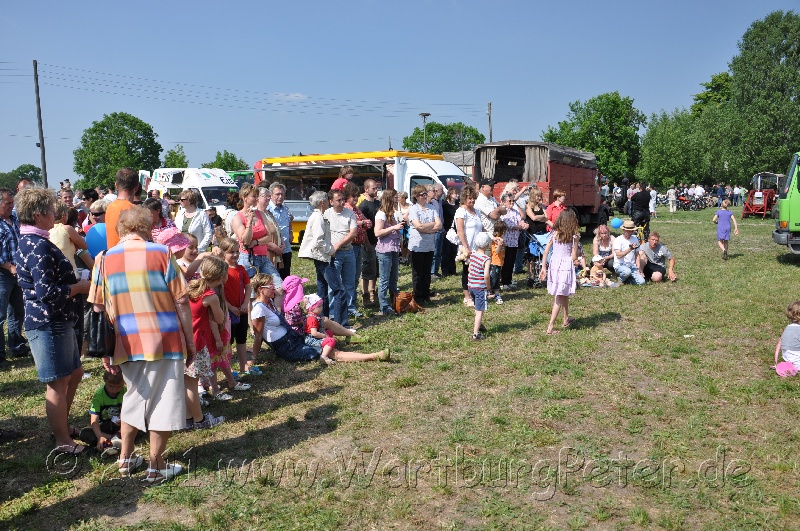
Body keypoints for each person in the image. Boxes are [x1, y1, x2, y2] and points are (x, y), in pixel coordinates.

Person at [88, 206, 194, 482]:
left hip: (124, 341)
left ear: (120, 230)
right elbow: (182, 299)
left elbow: (98, 307)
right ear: (146, 229)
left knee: (134, 396)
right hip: (164, 338)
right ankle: (155, 467)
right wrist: (190, 341)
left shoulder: (103, 258)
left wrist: (105, 350)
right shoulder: (161, 253)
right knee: (164, 400)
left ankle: (125, 458)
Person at [15, 187, 91, 453]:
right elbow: (46, 293)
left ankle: (62, 427)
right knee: (58, 383)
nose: (55, 214)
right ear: (38, 215)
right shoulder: (37, 245)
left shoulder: (34, 240)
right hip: (48, 322)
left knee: (75, 373)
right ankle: (62, 441)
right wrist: (78, 287)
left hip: (57, 319)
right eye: (50, 210)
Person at [250, 273, 389, 363]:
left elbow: (284, 290)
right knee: (333, 353)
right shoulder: (259, 309)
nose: (274, 287)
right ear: (261, 289)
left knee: (324, 322)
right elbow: (258, 336)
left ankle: (352, 336)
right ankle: (374, 356)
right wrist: (254, 358)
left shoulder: (270, 302)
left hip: (294, 338)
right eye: (271, 285)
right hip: (287, 347)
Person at [186, 256, 234, 425]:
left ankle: (187, 418)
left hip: (182, 341)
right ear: (220, 278)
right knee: (191, 385)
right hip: (196, 343)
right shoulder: (210, 296)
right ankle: (199, 421)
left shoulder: (189, 288)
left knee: (185, 383)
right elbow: (219, 319)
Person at [232, 183, 284, 303]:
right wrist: (249, 221)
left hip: (263, 257)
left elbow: (268, 236)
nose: (256, 199)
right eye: (254, 196)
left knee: (279, 288)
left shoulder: (260, 214)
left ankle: (275, 314)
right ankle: (253, 314)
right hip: (248, 259)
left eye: (257, 196)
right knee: (251, 294)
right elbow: (245, 240)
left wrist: (256, 242)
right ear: (245, 198)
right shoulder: (238, 217)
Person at [298, 191, 343, 324]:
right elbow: (318, 241)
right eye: (328, 200)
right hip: (323, 258)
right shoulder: (318, 217)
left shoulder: (317, 216)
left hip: (321, 257)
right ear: (323, 202)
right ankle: (339, 324)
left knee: (322, 290)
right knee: (339, 290)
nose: (329, 202)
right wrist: (331, 250)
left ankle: (323, 321)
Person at [217, 237, 259, 378]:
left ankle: (243, 365)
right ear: (223, 253)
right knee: (228, 341)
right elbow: (220, 292)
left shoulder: (241, 269)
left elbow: (248, 286)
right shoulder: (222, 271)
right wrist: (230, 307)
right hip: (228, 312)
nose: (235, 255)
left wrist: (245, 304)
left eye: (237, 251)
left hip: (241, 310)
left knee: (242, 339)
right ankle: (229, 369)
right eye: (231, 252)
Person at [539, 210, 580, 335]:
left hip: (555, 264)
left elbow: (546, 251)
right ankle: (550, 327)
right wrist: (577, 247)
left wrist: (543, 267)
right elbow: (574, 256)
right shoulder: (573, 236)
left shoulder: (554, 233)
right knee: (560, 295)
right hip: (565, 266)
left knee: (564, 292)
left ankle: (566, 318)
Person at [0, 187, 29, 365]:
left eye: (13, 203)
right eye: (8, 203)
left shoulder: (15, 220)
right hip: (3, 274)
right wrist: (9, 266)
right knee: (0, 315)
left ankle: (17, 346)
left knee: (18, 312)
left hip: (17, 272)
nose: (12, 206)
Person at [323, 189, 357, 327]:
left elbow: (353, 233)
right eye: (339, 200)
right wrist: (331, 248)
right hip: (334, 255)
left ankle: (349, 310)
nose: (342, 202)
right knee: (334, 285)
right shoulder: (326, 214)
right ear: (331, 201)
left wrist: (338, 244)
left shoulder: (349, 213)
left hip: (348, 251)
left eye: (343, 199)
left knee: (349, 283)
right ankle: (333, 313)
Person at [408, 184, 442, 305]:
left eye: (426, 194)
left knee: (427, 272)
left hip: (429, 245)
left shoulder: (431, 207)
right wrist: (432, 224)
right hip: (417, 245)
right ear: (416, 196)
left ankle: (426, 294)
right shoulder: (413, 209)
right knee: (418, 273)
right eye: (422, 194)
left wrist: (427, 229)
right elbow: (419, 226)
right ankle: (418, 297)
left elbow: (439, 224)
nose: (425, 196)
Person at [373, 189, 404, 316]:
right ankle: (384, 306)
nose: (397, 199)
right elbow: (377, 232)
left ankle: (394, 303)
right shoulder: (381, 214)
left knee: (393, 278)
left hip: (394, 248)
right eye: (395, 197)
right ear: (389, 198)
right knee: (384, 279)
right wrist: (393, 227)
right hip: (385, 250)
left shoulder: (393, 212)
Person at [79, 370, 124, 454]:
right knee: (84, 433)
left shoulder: (125, 392)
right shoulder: (99, 395)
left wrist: (122, 421)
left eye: (119, 386)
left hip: (121, 425)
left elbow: (127, 411)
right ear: (104, 380)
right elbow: (94, 420)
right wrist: (100, 436)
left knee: (138, 425)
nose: (115, 390)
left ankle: (114, 439)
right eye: (111, 386)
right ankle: (112, 439)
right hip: (104, 426)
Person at [343, 183, 370, 318]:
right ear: (347, 197)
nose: (355, 198)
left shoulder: (356, 209)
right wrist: (363, 223)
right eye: (353, 196)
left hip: (358, 246)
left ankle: (352, 304)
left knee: (355, 277)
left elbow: (365, 222)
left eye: (356, 196)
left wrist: (364, 223)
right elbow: (350, 223)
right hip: (351, 246)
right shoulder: (346, 209)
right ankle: (349, 306)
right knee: (350, 278)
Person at [455, 186, 484, 307]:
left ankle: (475, 293)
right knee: (467, 271)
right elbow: (460, 230)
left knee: (477, 271)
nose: (472, 200)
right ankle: (467, 297)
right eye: (469, 198)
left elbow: (481, 228)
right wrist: (466, 247)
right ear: (464, 198)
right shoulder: (461, 211)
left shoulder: (476, 211)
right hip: (467, 246)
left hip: (477, 247)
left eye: (473, 198)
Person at [358, 179, 381, 304]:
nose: (376, 190)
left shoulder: (378, 203)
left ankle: (373, 291)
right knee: (367, 269)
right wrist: (366, 242)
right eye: (373, 188)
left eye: (376, 188)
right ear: (366, 189)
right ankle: (365, 294)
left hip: (378, 241)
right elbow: (362, 228)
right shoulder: (363, 206)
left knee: (375, 269)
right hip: (368, 241)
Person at [499, 191, 528, 290]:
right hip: (506, 241)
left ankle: (509, 280)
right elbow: (509, 225)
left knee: (512, 261)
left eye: (512, 201)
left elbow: (520, 220)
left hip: (514, 240)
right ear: (504, 202)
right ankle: (504, 282)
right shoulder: (503, 212)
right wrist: (521, 227)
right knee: (506, 261)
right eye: (509, 201)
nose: (511, 203)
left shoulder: (515, 210)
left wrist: (524, 224)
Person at [105, 168, 140, 249]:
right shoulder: (134, 210)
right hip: (128, 255)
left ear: (116, 185)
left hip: (112, 254)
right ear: (136, 187)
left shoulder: (110, 207)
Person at [468, 232, 492, 340]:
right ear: (488, 245)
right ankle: (476, 334)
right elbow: (486, 275)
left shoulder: (473, 255)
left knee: (477, 306)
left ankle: (479, 324)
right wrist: (488, 287)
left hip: (471, 286)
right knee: (480, 310)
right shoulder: (486, 259)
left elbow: (469, 269)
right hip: (480, 288)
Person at [267, 182, 294, 279]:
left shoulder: (285, 208)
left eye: (282, 194)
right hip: (273, 249)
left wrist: (291, 232)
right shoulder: (267, 209)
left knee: (285, 276)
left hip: (286, 248)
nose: (280, 197)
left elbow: (290, 220)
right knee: (274, 278)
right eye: (277, 194)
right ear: (271, 195)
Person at [613, 220, 645, 285]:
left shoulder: (635, 239)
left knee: (642, 282)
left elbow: (637, 254)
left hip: (632, 266)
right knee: (627, 271)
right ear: (623, 230)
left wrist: (639, 268)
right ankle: (621, 279)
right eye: (628, 231)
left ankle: (626, 279)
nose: (630, 232)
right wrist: (630, 249)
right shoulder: (618, 240)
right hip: (620, 265)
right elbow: (618, 255)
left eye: (632, 231)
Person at [440, 186, 460, 277]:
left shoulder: (458, 204)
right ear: (450, 194)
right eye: (455, 193)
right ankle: (445, 271)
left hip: (455, 231)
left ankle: (452, 270)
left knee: (453, 251)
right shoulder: (444, 204)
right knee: (446, 251)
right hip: (446, 230)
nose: (457, 195)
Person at [776, 301, 800, 372]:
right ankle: (794, 367)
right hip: (797, 360)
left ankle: (789, 366)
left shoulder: (788, 327)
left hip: (787, 357)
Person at [429, 183, 445, 278]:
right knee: (434, 252)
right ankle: (432, 272)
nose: (442, 192)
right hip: (435, 230)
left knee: (439, 252)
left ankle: (435, 271)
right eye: (441, 190)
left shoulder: (440, 201)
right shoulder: (432, 202)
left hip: (441, 230)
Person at [489, 220, 507, 305]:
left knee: (497, 280)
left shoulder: (500, 239)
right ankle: (488, 292)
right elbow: (496, 251)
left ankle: (496, 294)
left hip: (500, 262)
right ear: (502, 231)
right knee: (493, 279)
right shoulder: (496, 240)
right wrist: (500, 245)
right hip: (495, 263)